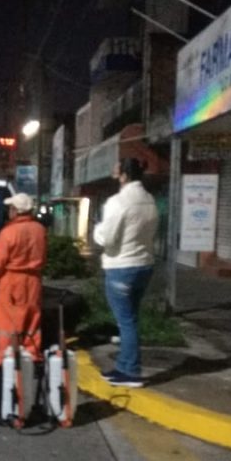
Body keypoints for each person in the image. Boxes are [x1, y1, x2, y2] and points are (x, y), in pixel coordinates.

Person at [93, 157, 158, 388]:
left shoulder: (118, 202)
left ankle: (130, 371)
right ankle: (123, 367)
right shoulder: (149, 199)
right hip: (144, 265)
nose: (113, 171)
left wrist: (97, 229)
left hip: (121, 267)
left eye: (117, 168)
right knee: (131, 319)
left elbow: (107, 239)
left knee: (125, 322)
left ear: (124, 175)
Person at [0, 192, 47, 362]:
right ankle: (32, 356)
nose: (9, 211)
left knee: (8, 323)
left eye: (10, 208)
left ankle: (7, 359)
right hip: (34, 280)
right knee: (32, 320)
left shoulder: (8, 232)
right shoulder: (40, 230)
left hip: (12, 280)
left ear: (15, 211)